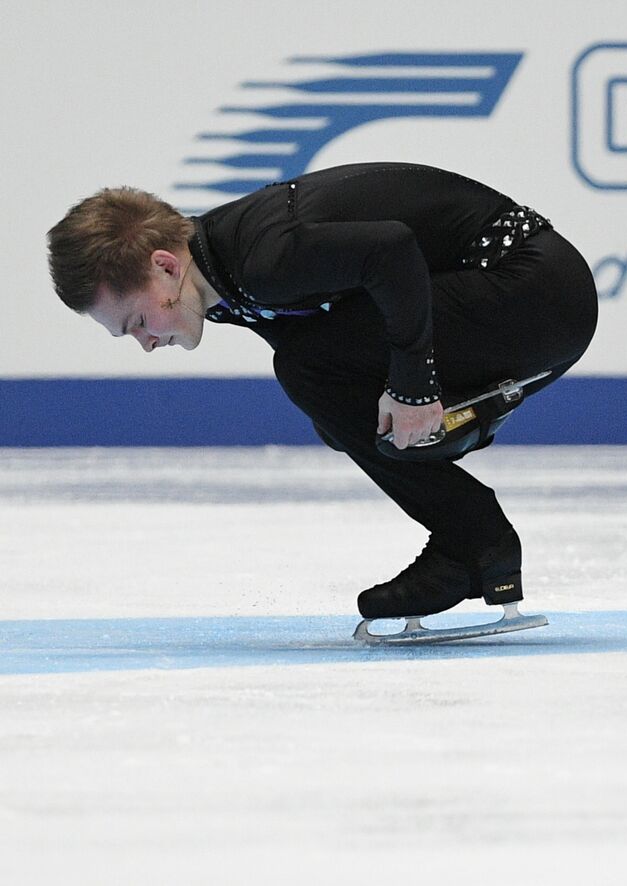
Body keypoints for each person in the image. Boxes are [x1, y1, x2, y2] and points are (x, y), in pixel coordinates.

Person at [46, 162, 598, 633]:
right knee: (324, 394)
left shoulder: (265, 260)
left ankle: (471, 537)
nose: (146, 343)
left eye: (139, 320)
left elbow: (392, 251)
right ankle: (470, 538)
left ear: (164, 265)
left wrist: (414, 386)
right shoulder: (219, 276)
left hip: (537, 290)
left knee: (308, 369)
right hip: (516, 300)